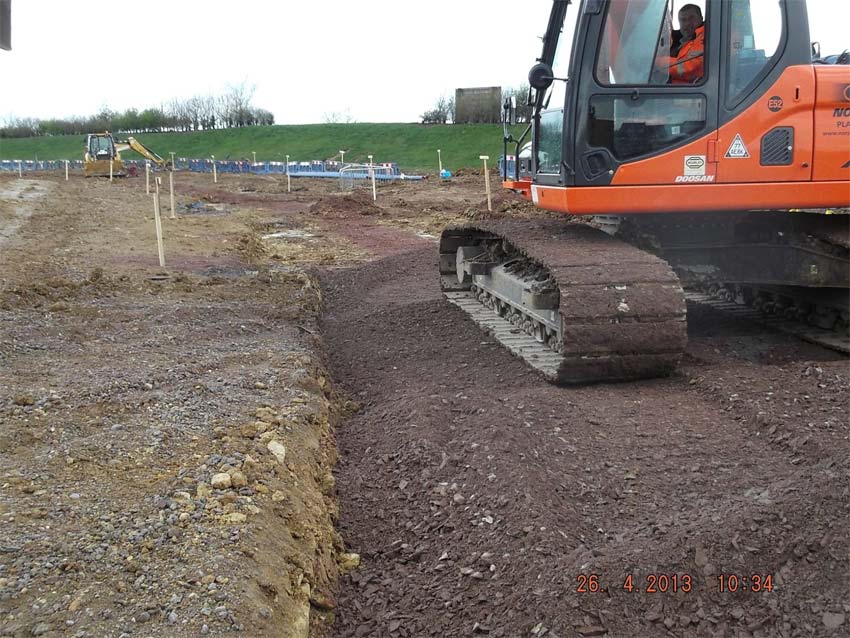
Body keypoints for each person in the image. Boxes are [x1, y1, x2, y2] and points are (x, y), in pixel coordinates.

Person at [658, 4, 705, 84]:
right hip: (677, 90)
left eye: (691, 18)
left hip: (691, 93)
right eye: (683, 20)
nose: (687, 23)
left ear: (701, 18)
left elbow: (686, 68)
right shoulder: (683, 40)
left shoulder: (705, 37)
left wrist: (655, 61)